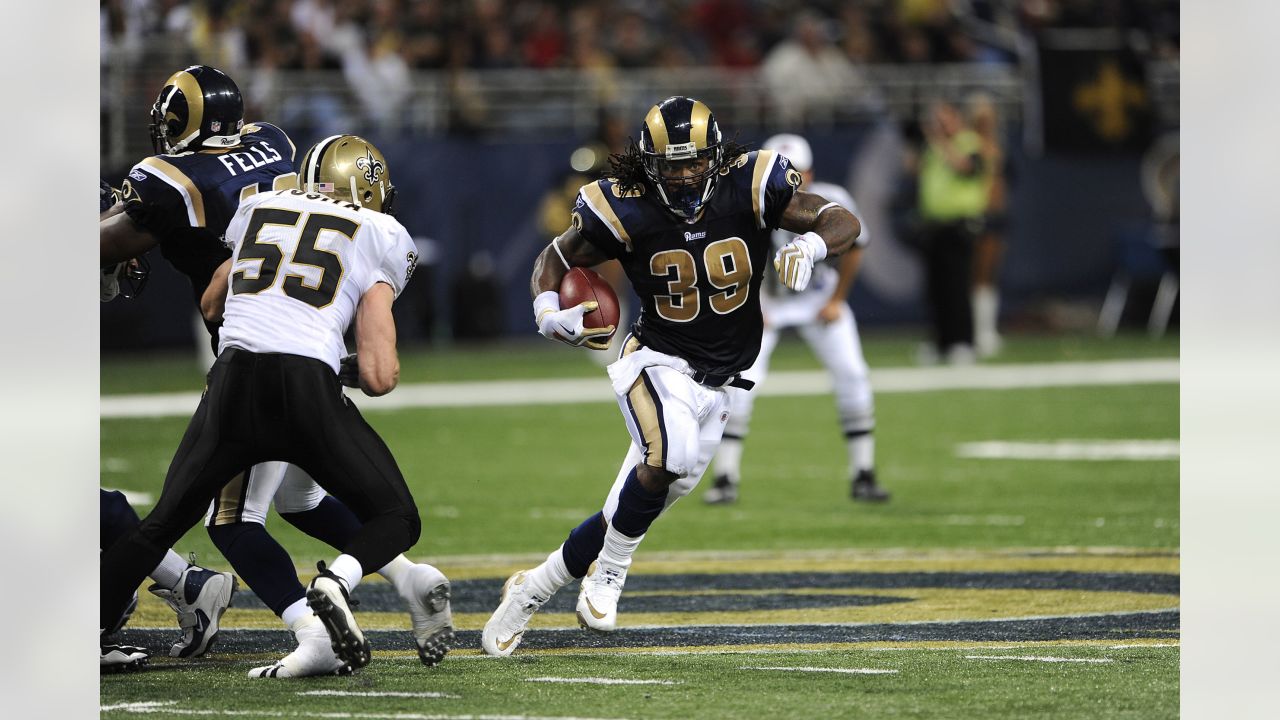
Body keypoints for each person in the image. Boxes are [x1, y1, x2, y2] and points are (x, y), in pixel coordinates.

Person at [100, 66, 450, 676]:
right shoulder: (367, 220)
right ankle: (338, 605)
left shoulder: (258, 207)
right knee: (353, 515)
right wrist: (333, 362)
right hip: (305, 378)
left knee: (187, 521)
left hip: (234, 368)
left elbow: (212, 301)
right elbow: (379, 374)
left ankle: (85, 629)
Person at [481, 96, 861, 656]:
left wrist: (810, 242)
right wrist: (545, 311)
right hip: (656, 361)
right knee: (671, 457)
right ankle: (610, 573)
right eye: (671, 164)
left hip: (723, 378)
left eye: (693, 162)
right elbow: (556, 258)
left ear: (715, 156)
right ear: (648, 163)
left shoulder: (750, 183)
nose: (683, 176)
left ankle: (531, 589)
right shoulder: (625, 205)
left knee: (636, 500)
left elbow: (842, 219)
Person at [703, 134, 886, 505]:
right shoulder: (746, 204)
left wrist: (836, 300)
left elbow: (856, 246)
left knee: (853, 373)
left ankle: (863, 473)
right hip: (768, 301)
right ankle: (725, 477)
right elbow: (729, 263)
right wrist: (751, 305)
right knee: (741, 382)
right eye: (782, 174)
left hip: (819, 296)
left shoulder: (830, 202)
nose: (790, 183)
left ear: (810, 173)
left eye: (796, 174)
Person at [914, 99, 989, 364]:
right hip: (935, 225)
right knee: (936, 289)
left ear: (957, 118)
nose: (941, 124)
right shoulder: (932, 147)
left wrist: (939, 141)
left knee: (958, 286)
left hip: (960, 225)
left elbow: (967, 169)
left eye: (945, 118)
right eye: (937, 119)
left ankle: (963, 342)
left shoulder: (970, 142)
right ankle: (941, 342)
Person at [966, 93, 1009, 358]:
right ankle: (977, 332)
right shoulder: (969, 146)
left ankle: (987, 329)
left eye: (989, 119)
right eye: (982, 119)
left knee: (990, 273)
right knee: (976, 273)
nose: (986, 123)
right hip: (976, 214)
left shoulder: (997, 146)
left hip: (996, 215)